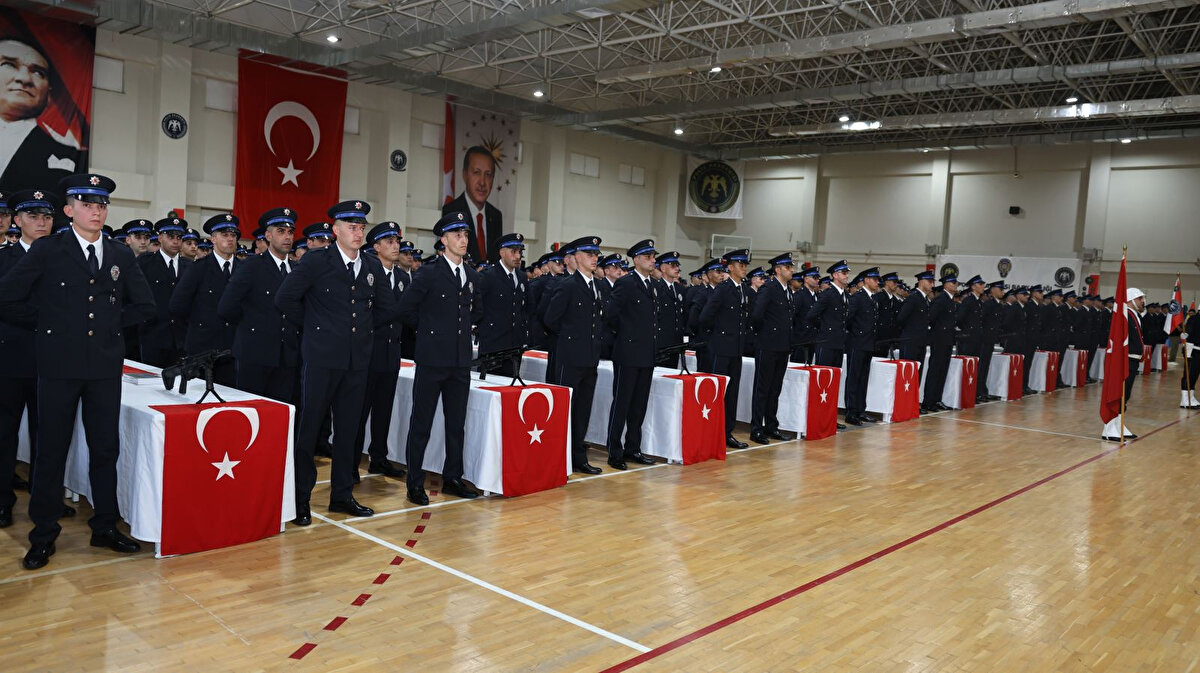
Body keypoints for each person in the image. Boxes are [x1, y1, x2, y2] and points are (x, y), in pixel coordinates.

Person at [0, 173, 155, 569]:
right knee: (51, 450)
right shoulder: (49, 250)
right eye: (87, 204)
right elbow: (8, 297)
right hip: (58, 365)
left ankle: (105, 526)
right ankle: (43, 534)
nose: (96, 211)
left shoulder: (119, 254)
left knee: (106, 449)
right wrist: (46, 324)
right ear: (69, 211)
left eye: (101, 205)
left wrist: (112, 325)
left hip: (104, 367)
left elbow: (145, 306)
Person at [276, 200, 398, 524]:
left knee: (347, 432)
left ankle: (342, 495)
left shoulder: (370, 267)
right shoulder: (318, 261)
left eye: (361, 227)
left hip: (357, 362)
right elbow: (285, 299)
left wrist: (363, 332)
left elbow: (387, 309)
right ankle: (300, 500)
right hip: (320, 359)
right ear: (336, 230)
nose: (358, 232)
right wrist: (317, 328)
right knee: (309, 431)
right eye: (352, 226)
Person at [395, 211, 483, 505]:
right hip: (432, 360)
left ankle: (453, 477)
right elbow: (406, 309)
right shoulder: (429, 273)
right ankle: (415, 483)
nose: (463, 240)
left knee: (456, 423)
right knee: (422, 422)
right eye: (457, 235)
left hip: (459, 362)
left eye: (466, 234)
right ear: (443, 240)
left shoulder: (470, 275)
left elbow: (476, 311)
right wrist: (429, 331)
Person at [0, 188, 56, 527]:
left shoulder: (63, 258)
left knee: (48, 435)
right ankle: (3, 500)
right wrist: (48, 317)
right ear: (16, 220)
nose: (41, 222)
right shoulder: (3, 258)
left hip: (52, 362)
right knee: (4, 433)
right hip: (11, 358)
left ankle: (44, 499)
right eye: (33, 216)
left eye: (47, 216)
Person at [218, 207, 301, 404]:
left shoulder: (298, 270)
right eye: (281, 231)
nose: (287, 237)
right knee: (252, 414)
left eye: (290, 232)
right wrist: (252, 325)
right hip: (254, 353)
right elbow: (226, 307)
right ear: (268, 235)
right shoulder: (252, 266)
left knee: (281, 415)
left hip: (288, 356)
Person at [543, 236, 605, 474]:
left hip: (590, 359)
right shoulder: (567, 285)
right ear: (576, 257)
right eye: (589, 254)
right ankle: (557, 458)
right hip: (569, 358)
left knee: (582, 411)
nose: (594, 259)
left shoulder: (595, 287)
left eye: (596, 255)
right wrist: (571, 340)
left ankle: (578, 457)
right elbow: (551, 319)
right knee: (564, 411)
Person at [353, 221, 406, 480]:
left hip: (391, 353)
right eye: (389, 242)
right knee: (359, 411)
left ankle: (379, 457)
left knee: (384, 409)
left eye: (397, 241)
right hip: (368, 353)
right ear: (376, 247)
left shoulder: (403, 277)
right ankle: (351, 463)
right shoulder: (367, 273)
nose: (395, 246)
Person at [603, 239, 660, 470]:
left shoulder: (652, 285)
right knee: (622, 404)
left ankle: (633, 448)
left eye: (653, 256)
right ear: (636, 259)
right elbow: (610, 315)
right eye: (648, 257)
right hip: (628, 352)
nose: (652, 260)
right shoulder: (626, 283)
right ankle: (614, 451)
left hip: (646, 353)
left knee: (639, 405)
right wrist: (626, 336)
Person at [0, 39, 86, 192]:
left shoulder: (66, 157)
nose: (25, 79)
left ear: (49, 92)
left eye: (38, 72)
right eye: (9, 64)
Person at [169, 213, 240, 386]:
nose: (230, 239)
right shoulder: (199, 268)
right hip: (202, 348)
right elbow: (177, 306)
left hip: (234, 348)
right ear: (213, 239)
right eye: (224, 235)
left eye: (233, 235)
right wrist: (196, 329)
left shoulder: (245, 269)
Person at [699, 250, 751, 449]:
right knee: (718, 393)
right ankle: (712, 432)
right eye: (740, 264)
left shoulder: (742, 289)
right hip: (720, 348)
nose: (744, 268)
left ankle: (726, 432)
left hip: (736, 349)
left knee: (732, 394)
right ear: (730, 267)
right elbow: (705, 317)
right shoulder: (723, 289)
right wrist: (717, 336)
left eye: (745, 264)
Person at [749, 253, 797, 442]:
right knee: (762, 388)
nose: (791, 270)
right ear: (778, 269)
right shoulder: (768, 288)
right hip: (767, 345)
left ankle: (771, 425)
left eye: (791, 267)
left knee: (775, 388)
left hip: (783, 346)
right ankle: (756, 428)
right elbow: (757, 315)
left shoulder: (787, 290)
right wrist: (765, 335)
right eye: (788, 267)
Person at [136, 216, 191, 366]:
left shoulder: (190, 267)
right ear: (160, 237)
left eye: (179, 237)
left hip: (181, 338)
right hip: (153, 335)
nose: (175, 241)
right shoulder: (145, 263)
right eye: (170, 236)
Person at [477, 232, 529, 376]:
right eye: (513, 251)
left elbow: (526, 308)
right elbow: (478, 308)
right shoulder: (488, 276)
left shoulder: (521, 277)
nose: (518, 256)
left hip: (515, 346)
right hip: (493, 346)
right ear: (502, 252)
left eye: (520, 252)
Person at [444, 146, 502, 263]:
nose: (482, 182)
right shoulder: (451, 211)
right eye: (476, 172)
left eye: (488, 175)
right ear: (464, 175)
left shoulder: (496, 215)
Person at [1102, 288, 1145, 441]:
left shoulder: (1134, 315)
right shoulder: (1124, 314)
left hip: (1133, 359)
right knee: (1118, 393)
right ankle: (1109, 427)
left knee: (1125, 394)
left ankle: (1119, 423)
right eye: (1140, 298)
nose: (1142, 301)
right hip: (1124, 359)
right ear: (1131, 299)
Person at [845, 267, 881, 425]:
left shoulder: (873, 298)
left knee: (863, 378)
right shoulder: (858, 297)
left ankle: (860, 410)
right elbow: (848, 319)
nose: (877, 282)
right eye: (874, 279)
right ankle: (851, 412)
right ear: (866, 280)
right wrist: (856, 335)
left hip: (868, 343)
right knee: (854, 378)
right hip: (857, 343)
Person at [923, 273, 958, 413]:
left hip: (947, 340)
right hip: (939, 341)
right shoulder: (941, 300)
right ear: (946, 285)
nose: (955, 285)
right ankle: (928, 401)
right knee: (935, 371)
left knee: (943, 371)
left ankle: (937, 399)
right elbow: (930, 318)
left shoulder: (950, 300)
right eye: (953, 283)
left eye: (956, 283)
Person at [807, 260, 851, 368]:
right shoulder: (828, 294)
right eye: (844, 273)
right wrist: (825, 327)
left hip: (839, 343)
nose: (847, 276)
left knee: (835, 378)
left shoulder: (845, 294)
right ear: (835, 275)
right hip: (826, 342)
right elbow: (811, 315)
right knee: (823, 378)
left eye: (847, 273)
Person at [653, 251, 686, 369]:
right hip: (662, 343)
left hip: (676, 343)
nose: (676, 268)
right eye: (673, 265)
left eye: (677, 265)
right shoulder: (656, 287)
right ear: (663, 268)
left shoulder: (680, 289)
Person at [897, 270, 933, 368]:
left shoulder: (924, 299)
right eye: (930, 281)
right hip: (910, 342)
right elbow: (901, 318)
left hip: (921, 342)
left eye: (932, 282)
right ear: (921, 282)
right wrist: (910, 332)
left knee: (917, 374)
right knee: (908, 373)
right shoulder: (913, 298)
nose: (932, 284)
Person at [1181, 308, 1200, 408]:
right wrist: (1186, 334)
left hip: (1198, 351)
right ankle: (1185, 400)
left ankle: (1191, 397)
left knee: (1195, 375)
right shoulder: (1193, 319)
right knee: (1189, 375)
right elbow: (1188, 329)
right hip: (1192, 350)